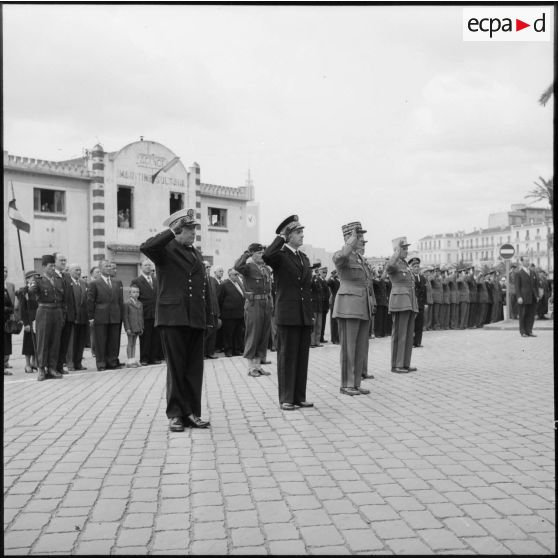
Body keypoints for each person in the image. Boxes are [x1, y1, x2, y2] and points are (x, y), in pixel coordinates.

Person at [140, 208, 213, 431]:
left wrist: (208, 317)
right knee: (176, 368)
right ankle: (175, 414)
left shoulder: (196, 254)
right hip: (173, 317)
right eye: (189, 229)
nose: (193, 233)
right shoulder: (166, 249)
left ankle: (192, 412)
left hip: (194, 318)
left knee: (193, 368)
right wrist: (171, 232)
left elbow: (203, 288)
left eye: (194, 229)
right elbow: (146, 247)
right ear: (178, 229)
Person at [263, 215, 313, 410]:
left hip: (303, 315)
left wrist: (310, 315)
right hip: (287, 314)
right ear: (288, 235)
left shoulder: (304, 257)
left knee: (301, 358)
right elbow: (267, 255)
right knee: (287, 357)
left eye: (302, 232)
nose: (302, 236)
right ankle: (286, 398)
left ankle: (299, 396)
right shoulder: (280, 256)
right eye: (298, 232)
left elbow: (306, 288)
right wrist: (281, 238)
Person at [332, 222, 375, 396]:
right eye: (359, 236)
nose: (362, 239)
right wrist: (349, 242)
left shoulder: (360, 258)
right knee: (349, 347)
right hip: (348, 306)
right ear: (349, 238)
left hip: (363, 305)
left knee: (360, 346)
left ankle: (356, 382)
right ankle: (346, 384)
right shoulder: (342, 255)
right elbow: (340, 257)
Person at [234, 243, 273, 377]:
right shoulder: (248, 267)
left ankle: (258, 365)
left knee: (263, 335)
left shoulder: (266, 269)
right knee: (253, 334)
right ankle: (251, 368)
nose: (262, 255)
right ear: (252, 254)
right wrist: (246, 253)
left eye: (262, 252)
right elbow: (237, 266)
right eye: (258, 253)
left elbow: (269, 289)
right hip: (253, 304)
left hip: (265, 303)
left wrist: (270, 304)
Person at [29, 255, 65, 381]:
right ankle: (41, 369)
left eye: (54, 266)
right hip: (44, 311)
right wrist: (29, 287)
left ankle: (52, 368)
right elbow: (31, 292)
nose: (53, 268)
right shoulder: (38, 280)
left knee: (55, 341)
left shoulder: (59, 279)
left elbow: (63, 298)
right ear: (44, 266)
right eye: (51, 266)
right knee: (42, 341)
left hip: (57, 311)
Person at [386, 237, 418, 374]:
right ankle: (396, 364)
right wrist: (396, 253)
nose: (406, 251)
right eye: (403, 248)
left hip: (409, 300)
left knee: (408, 333)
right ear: (397, 250)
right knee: (400, 334)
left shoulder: (404, 264)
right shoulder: (393, 262)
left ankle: (405, 363)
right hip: (400, 301)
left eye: (406, 248)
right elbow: (389, 267)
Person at [87, 260, 125, 371]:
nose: (109, 268)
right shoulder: (94, 283)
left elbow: (120, 300)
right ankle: (101, 363)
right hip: (100, 316)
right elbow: (90, 301)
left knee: (114, 340)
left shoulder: (117, 282)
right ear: (100, 268)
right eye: (106, 266)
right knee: (101, 341)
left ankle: (112, 362)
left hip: (115, 315)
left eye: (110, 266)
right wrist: (91, 317)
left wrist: (121, 315)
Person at [131, 259, 163, 366]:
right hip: (144, 313)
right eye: (146, 265)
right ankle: (144, 358)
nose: (148, 267)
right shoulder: (136, 281)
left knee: (155, 336)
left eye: (150, 265)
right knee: (145, 337)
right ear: (141, 267)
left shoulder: (156, 280)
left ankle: (154, 358)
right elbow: (135, 298)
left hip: (156, 313)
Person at [53, 252, 74, 375]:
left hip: (68, 315)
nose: (64, 263)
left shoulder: (67, 275)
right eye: (61, 260)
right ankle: (53, 366)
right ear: (54, 262)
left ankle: (60, 365)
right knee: (56, 342)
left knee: (64, 342)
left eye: (65, 260)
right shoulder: (52, 276)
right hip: (57, 314)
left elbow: (70, 297)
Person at [218, 269, 246, 358]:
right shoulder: (224, 284)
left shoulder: (238, 283)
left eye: (237, 274)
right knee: (228, 334)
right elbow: (219, 299)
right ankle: (228, 350)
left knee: (238, 333)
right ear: (229, 275)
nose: (237, 276)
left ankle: (237, 350)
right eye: (235, 274)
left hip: (239, 313)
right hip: (228, 314)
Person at [17, 271, 40, 374]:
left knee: (37, 341)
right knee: (28, 343)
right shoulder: (24, 291)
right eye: (32, 277)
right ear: (27, 279)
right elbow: (22, 308)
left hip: (38, 318)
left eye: (36, 277)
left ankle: (34, 362)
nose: (35, 279)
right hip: (29, 319)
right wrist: (25, 323)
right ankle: (27, 364)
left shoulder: (37, 289)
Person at [66, 263, 88, 371]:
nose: (78, 272)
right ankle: (70, 363)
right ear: (70, 271)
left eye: (79, 270)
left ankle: (78, 362)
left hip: (83, 317)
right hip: (72, 317)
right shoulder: (67, 283)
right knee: (71, 342)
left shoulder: (84, 283)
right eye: (76, 270)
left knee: (81, 341)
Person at [515, 257, 539, 337]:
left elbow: (536, 285)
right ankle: (523, 332)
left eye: (528, 260)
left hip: (532, 297)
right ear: (522, 262)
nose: (528, 262)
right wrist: (519, 297)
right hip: (523, 297)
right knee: (523, 315)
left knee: (531, 315)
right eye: (526, 261)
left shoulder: (532, 272)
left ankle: (529, 331)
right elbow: (517, 286)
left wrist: (537, 295)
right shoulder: (518, 273)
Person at [123, 284, 144, 367]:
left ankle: (133, 359)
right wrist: (127, 328)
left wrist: (142, 326)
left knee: (135, 343)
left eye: (137, 292)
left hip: (137, 327)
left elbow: (141, 316)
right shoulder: (127, 303)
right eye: (134, 292)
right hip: (130, 327)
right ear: (130, 293)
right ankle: (129, 361)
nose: (136, 293)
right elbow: (125, 317)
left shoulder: (140, 303)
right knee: (130, 343)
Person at [203, 262, 220, 360]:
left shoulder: (213, 280)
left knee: (213, 333)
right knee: (205, 333)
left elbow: (216, 296)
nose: (208, 268)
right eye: (206, 267)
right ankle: (203, 353)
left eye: (209, 267)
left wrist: (218, 311)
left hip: (214, 310)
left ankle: (210, 352)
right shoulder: (200, 279)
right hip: (205, 311)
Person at [409, 257, 427, 348]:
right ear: (411, 267)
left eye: (418, 266)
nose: (417, 268)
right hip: (413, 303)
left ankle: (418, 342)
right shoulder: (409, 277)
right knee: (412, 324)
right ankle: (411, 342)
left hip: (421, 304)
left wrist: (425, 303)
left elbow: (425, 291)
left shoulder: (423, 278)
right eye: (415, 266)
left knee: (420, 323)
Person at [4, 266, 17, 371]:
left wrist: (13, 313)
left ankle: (6, 361)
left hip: (7, 318)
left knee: (7, 340)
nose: (5, 273)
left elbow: (12, 302)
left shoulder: (10, 285)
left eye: (6, 271)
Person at [310, 264, 324, 347]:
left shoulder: (319, 280)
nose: (317, 271)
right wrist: (313, 277)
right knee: (313, 324)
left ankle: (317, 341)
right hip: (313, 305)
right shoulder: (312, 279)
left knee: (319, 324)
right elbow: (311, 285)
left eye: (318, 269)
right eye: (316, 269)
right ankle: (312, 342)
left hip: (319, 305)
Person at [327, 269, 340, 343]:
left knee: (338, 321)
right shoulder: (333, 280)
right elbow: (327, 283)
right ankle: (334, 339)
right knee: (334, 322)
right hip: (334, 303)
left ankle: (338, 337)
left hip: (340, 303)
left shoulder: (340, 281)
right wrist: (331, 276)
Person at [318, 266, 330, 343]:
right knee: (319, 323)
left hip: (325, 305)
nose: (325, 274)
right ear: (319, 272)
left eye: (326, 273)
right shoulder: (318, 280)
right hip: (320, 305)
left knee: (323, 322)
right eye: (323, 272)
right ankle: (319, 338)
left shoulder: (324, 281)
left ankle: (321, 337)